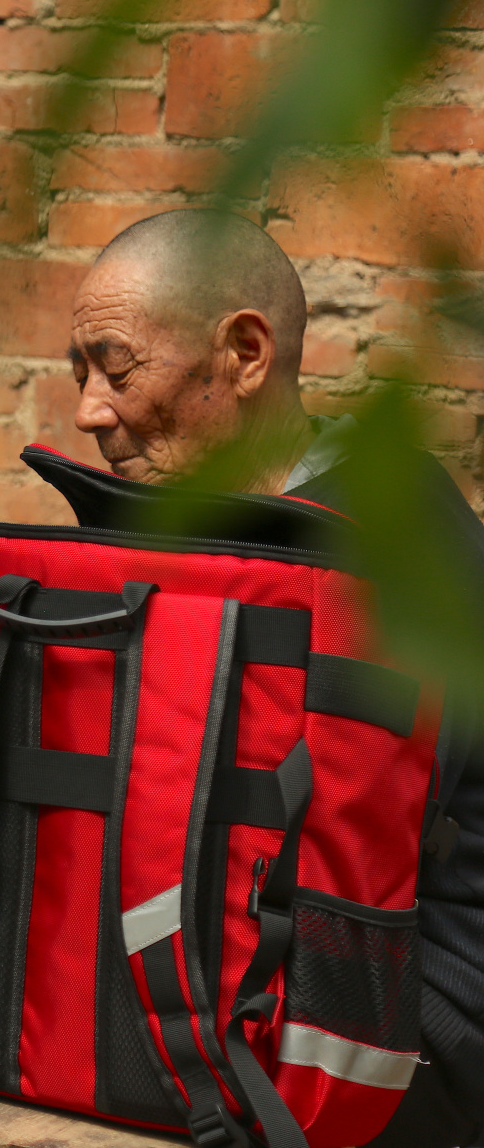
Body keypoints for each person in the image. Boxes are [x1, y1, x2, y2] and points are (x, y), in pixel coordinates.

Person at [65, 208, 484, 1148]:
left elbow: (351, 844)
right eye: (78, 373)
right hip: (256, 931)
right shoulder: (202, 523)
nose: (90, 410)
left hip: (410, 977)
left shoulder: (391, 537)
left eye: (117, 369)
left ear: (247, 354)